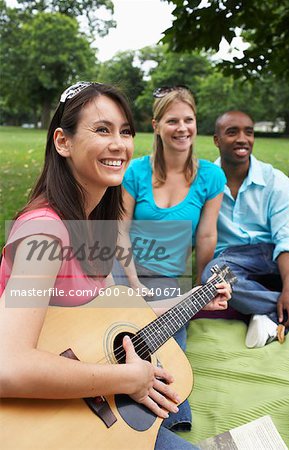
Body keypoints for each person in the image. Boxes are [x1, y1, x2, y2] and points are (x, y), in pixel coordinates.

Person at [0, 82, 231, 450]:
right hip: (43, 427)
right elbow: (7, 367)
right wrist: (124, 379)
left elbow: (121, 316)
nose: (119, 144)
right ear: (62, 142)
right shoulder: (42, 231)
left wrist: (194, 299)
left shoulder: (96, 229)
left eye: (125, 132)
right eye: (102, 130)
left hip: (90, 412)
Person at [112, 85, 229, 433]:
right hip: (124, 268)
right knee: (114, 330)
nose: (182, 128)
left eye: (188, 120)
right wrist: (132, 285)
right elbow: (119, 231)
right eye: (173, 120)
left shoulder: (210, 176)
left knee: (166, 345)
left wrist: (199, 289)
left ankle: (160, 423)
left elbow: (207, 236)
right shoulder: (135, 172)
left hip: (167, 279)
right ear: (157, 125)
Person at [202, 110, 289, 349]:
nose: (242, 139)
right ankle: (283, 311)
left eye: (249, 132)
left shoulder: (275, 180)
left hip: (274, 253)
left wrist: (288, 290)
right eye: (232, 132)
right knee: (213, 276)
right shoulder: (204, 182)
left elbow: (287, 239)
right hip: (233, 260)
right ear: (216, 140)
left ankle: (273, 311)